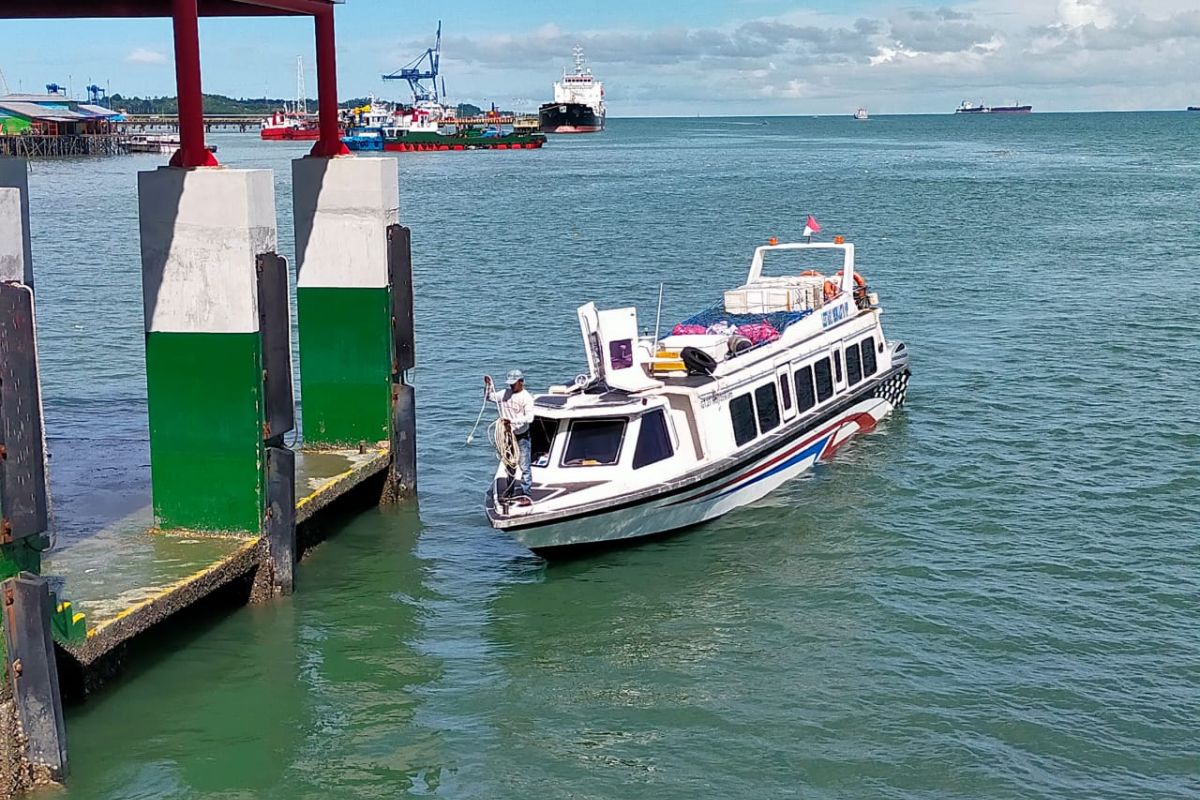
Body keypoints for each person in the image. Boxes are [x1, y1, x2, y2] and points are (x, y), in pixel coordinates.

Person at [483, 369, 535, 500]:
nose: (511, 386)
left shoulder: (526, 398)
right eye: (510, 384)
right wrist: (488, 386)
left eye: (514, 383)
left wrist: (511, 421)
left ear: (521, 382)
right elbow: (489, 398)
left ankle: (526, 493)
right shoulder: (505, 393)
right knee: (509, 464)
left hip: (521, 435)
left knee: (524, 465)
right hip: (507, 436)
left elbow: (529, 418)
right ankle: (509, 490)